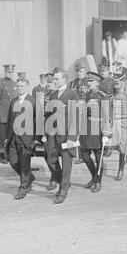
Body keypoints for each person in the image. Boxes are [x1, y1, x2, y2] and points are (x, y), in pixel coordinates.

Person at [45, 70, 80, 204]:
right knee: (51, 159)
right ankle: (63, 182)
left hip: (66, 135)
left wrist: (72, 137)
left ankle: (63, 190)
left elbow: (75, 117)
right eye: (54, 79)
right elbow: (48, 116)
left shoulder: (72, 95)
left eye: (58, 79)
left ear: (65, 79)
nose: (55, 81)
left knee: (66, 164)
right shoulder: (53, 95)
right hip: (53, 134)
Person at [79, 72, 112, 193]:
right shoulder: (86, 95)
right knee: (84, 155)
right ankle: (94, 177)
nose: (88, 83)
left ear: (97, 83)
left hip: (97, 129)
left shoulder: (103, 96)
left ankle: (98, 181)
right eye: (87, 81)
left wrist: (106, 134)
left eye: (91, 81)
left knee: (98, 157)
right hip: (86, 129)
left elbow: (107, 116)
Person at [5, 78, 37, 200]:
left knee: (25, 165)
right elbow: (9, 121)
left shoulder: (33, 101)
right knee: (13, 161)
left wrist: (36, 139)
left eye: (22, 86)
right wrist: (7, 137)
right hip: (13, 138)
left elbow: (38, 120)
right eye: (18, 86)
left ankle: (23, 188)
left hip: (27, 139)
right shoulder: (13, 101)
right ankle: (29, 178)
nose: (19, 88)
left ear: (27, 87)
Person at [107, 76, 127, 181]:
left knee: (122, 146)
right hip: (114, 123)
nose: (116, 86)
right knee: (112, 144)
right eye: (114, 84)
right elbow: (109, 111)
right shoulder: (112, 96)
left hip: (124, 123)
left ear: (122, 83)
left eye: (118, 83)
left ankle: (120, 170)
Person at [0, 64, 18, 164]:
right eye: (8, 72)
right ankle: (2, 156)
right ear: (5, 72)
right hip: (3, 115)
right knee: (2, 137)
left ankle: (11, 155)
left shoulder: (15, 84)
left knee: (11, 137)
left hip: (13, 115)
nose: (9, 73)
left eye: (11, 72)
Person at [38, 74, 59, 191]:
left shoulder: (57, 96)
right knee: (48, 155)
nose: (47, 85)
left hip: (55, 131)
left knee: (52, 156)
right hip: (46, 129)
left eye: (49, 83)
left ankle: (55, 179)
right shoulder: (46, 96)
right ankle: (57, 177)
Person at [69, 62, 89, 165]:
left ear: (84, 70)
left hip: (86, 110)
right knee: (76, 132)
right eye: (77, 71)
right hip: (75, 109)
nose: (78, 73)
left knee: (84, 133)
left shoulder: (88, 81)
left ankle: (85, 155)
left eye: (80, 71)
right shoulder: (73, 83)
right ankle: (79, 155)